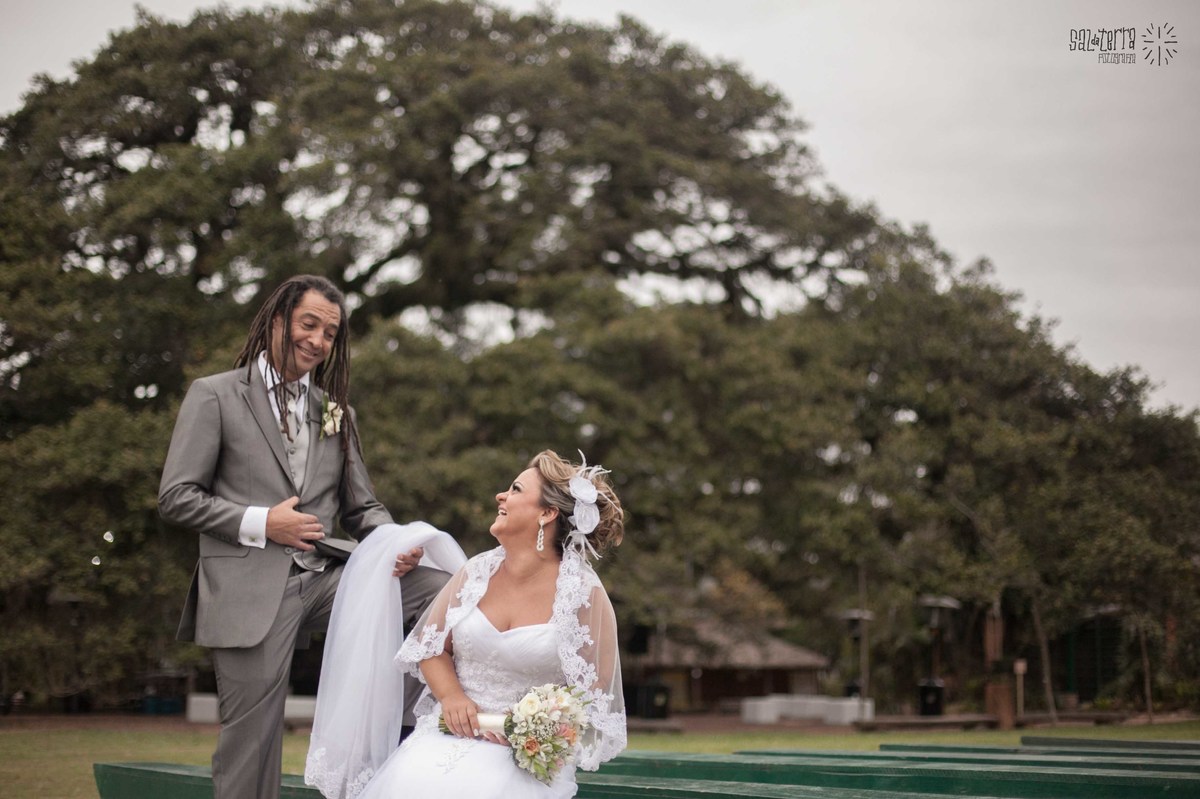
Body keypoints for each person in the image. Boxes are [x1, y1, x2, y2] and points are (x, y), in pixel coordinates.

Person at [159, 274, 454, 799]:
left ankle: (409, 740)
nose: (318, 341)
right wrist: (262, 522)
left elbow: (362, 507)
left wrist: (393, 544)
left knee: (437, 589)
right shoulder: (216, 396)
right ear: (278, 322)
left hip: (325, 578)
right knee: (252, 740)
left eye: (330, 333)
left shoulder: (335, 413)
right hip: (248, 587)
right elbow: (177, 496)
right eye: (308, 324)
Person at [306, 450, 627, 799]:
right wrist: (452, 696)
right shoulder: (476, 572)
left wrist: (536, 730)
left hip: (523, 755)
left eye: (516, 489)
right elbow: (429, 647)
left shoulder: (583, 593)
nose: (501, 496)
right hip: (446, 735)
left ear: (547, 514)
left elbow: (592, 696)